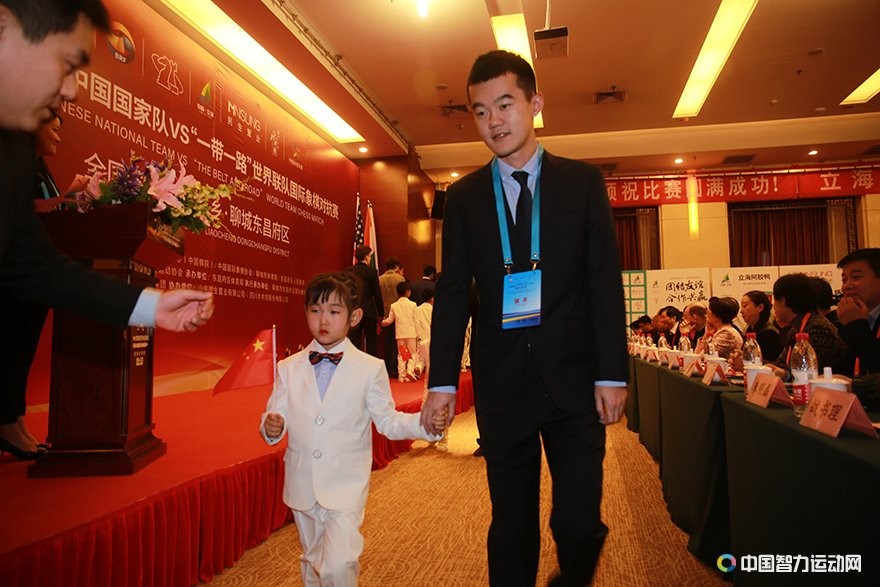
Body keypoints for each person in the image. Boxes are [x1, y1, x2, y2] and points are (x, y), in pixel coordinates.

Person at [421, 50, 628, 586]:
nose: (494, 121)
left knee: (578, 523)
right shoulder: (464, 197)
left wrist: (612, 372)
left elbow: (604, 280)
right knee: (511, 525)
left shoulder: (582, 183)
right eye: (481, 110)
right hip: (502, 381)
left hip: (575, 379)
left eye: (506, 104)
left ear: (536, 104)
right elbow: (451, 293)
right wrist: (441, 381)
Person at [0, 0, 214, 461]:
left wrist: (150, 307)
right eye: (68, 64)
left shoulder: (14, 153)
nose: (72, 92)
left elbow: (34, 266)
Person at [260, 272, 445, 586]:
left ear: (354, 316)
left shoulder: (369, 368)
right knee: (313, 560)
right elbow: (274, 417)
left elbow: (388, 420)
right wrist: (271, 426)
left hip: (345, 484)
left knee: (339, 564)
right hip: (302, 482)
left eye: (334, 312)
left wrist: (424, 424)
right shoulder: (287, 368)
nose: (323, 319)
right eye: (315, 310)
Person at [766, 273, 847, 378]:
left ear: (783, 301)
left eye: (774, 300)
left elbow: (810, 372)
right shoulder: (796, 329)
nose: (773, 306)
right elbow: (780, 363)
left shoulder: (818, 328)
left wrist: (786, 374)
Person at [837, 249, 880, 376]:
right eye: (844, 280)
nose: (847, 286)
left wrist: (855, 324)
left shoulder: (855, 320)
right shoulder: (850, 317)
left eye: (856, 277)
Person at [345, 245, 383, 356]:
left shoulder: (348, 271)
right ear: (366, 257)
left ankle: (352, 366)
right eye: (370, 256)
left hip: (353, 309)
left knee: (353, 341)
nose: (370, 259)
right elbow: (376, 294)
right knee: (371, 341)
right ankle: (370, 369)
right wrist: (381, 313)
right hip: (368, 311)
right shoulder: (371, 272)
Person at [381, 280, 420, 382]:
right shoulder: (413, 305)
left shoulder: (394, 305)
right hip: (411, 333)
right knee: (412, 353)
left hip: (400, 334)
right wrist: (418, 334)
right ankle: (409, 373)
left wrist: (383, 322)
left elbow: (390, 320)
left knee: (402, 355)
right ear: (408, 292)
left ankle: (401, 376)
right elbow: (416, 320)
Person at [378, 256, 405, 378]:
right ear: (396, 267)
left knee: (387, 342)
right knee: (396, 342)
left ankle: (387, 367)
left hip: (384, 314)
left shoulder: (379, 279)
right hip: (398, 314)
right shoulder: (400, 278)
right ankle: (394, 368)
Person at [739, 290, 782, 361]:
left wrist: (745, 360)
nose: (741, 311)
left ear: (760, 307)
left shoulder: (769, 333)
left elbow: (771, 364)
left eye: (745, 306)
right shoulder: (749, 329)